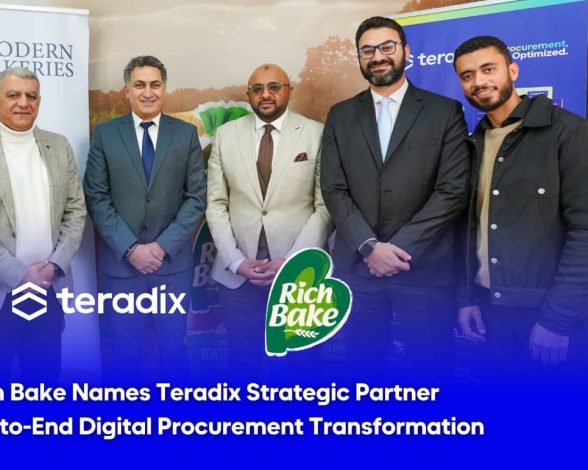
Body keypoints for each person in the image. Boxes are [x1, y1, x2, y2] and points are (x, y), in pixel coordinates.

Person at [321, 17, 470, 382]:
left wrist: (398, 249)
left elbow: (452, 190)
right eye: (367, 50)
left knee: (431, 376)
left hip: (424, 268)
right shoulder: (340, 115)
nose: (378, 57)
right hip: (359, 269)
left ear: (406, 50)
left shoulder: (444, 111)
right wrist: (370, 247)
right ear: (359, 57)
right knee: (362, 373)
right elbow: (334, 189)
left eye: (387, 47)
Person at [452, 36, 588, 382]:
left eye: (488, 69)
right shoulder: (472, 143)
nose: (479, 81)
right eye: (467, 76)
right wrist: (467, 298)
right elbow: (469, 228)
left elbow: (584, 232)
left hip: (546, 314)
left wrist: (557, 319)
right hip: (489, 309)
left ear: (513, 71)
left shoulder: (568, 132)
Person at [0, 67, 86, 383]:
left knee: (43, 385)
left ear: (39, 101)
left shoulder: (58, 145)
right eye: (13, 95)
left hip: (47, 289)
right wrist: (20, 275)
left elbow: (76, 211)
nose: (23, 102)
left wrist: (54, 266)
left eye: (31, 96)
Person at [84, 55, 206, 383]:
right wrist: (130, 248)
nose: (148, 92)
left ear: (164, 89)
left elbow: (196, 197)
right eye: (139, 85)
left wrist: (162, 247)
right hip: (122, 269)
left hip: (173, 268)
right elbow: (96, 197)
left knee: (173, 352)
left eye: (155, 84)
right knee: (126, 355)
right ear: (127, 90)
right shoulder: (105, 135)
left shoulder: (185, 135)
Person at [206, 63, 331, 381]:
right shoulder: (225, 136)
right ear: (248, 94)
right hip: (239, 277)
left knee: (304, 368)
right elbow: (216, 204)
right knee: (243, 366)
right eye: (257, 88)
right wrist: (235, 261)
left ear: (289, 90)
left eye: (274, 86)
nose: (266, 94)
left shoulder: (317, 134)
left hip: (301, 274)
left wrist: (292, 262)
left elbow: (325, 206)